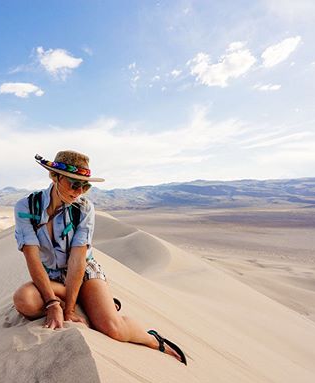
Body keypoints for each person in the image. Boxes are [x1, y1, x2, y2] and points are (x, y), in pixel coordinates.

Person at [12, 151, 186, 364]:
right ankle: (90, 303)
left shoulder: (84, 209)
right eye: (74, 184)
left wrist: (68, 309)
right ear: (54, 177)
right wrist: (51, 304)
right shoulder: (26, 207)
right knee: (25, 300)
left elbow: (78, 260)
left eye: (85, 186)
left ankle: (152, 339)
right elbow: (32, 258)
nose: (79, 192)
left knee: (113, 329)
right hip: (52, 277)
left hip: (84, 271)